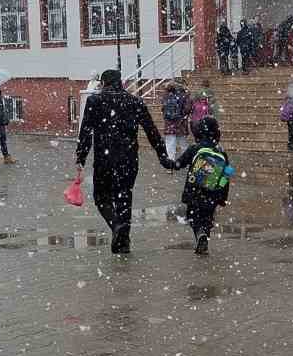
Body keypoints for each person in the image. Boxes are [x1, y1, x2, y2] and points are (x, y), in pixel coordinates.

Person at [74, 69, 172, 255]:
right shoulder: (135, 102)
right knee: (124, 198)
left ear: (103, 84)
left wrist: (81, 157)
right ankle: (123, 242)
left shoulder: (95, 101)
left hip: (104, 158)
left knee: (101, 198)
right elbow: (151, 130)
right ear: (122, 83)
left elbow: (86, 131)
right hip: (128, 159)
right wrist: (162, 156)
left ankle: (116, 226)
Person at [167, 116, 232, 256]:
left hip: (194, 190)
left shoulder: (195, 148)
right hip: (213, 192)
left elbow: (179, 163)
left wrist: (170, 164)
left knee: (194, 216)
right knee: (207, 218)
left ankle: (199, 234)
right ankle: (204, 238)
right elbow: (227, 174)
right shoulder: (221, 152)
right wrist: (222, 195)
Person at [160, 83, 191, 161]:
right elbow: (187, 109)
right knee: (183, 144)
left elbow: (163, 110)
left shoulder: (165, 97)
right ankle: (186, 161)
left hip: (169, 125)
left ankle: (170, 162)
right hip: (181, 124)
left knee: (170, 145)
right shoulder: (184, 96)